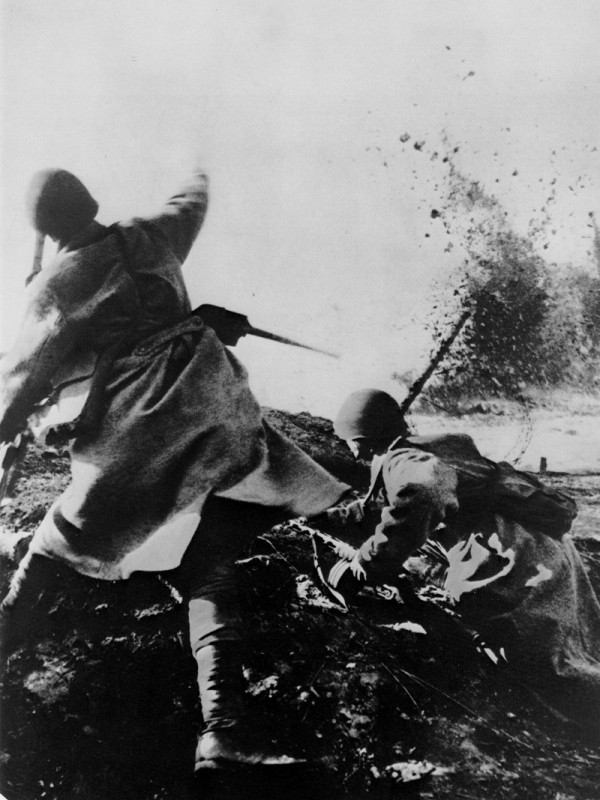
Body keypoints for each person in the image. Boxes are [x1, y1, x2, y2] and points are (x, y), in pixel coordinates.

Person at [0, 166, 349, 769]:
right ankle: (223, 731)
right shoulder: (151, 233)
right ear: (91, 201)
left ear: (46, 230)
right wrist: (199, 162)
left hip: (139, 433)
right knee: (209, 561)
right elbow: (191, 198)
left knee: (60, 546)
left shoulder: (57, 283)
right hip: (215, 413)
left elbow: (19, 380)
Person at [308, 388, 600, 726]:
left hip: (516, 555)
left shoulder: (403, 460)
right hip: (545, 543)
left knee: (550, 664)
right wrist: (329, 519)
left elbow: (423, 494)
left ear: (361, 437)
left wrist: (365, 564)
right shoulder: (425, 447)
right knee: (583, 641)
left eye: (348, 439)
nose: (348, 448)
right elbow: (384, 506)